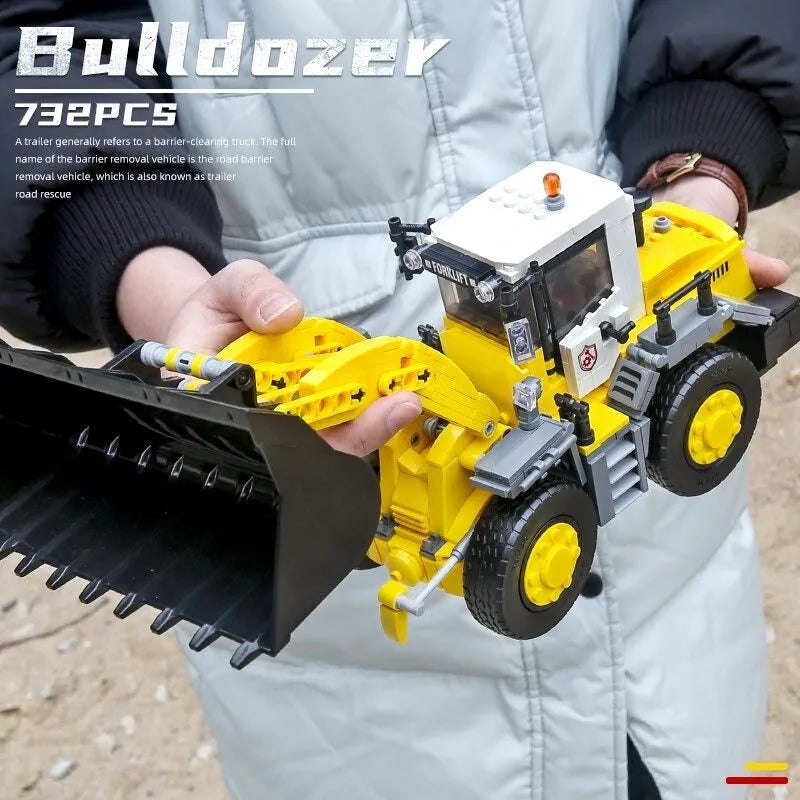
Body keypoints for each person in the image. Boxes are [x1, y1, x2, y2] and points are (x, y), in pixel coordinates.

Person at [1, 2, 799, 798]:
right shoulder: (443, 382)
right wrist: (153, 275)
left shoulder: (631, 324)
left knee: (719, 775)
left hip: (672, 604)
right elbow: (34, 47)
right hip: (358, 699)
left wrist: (704, 165)